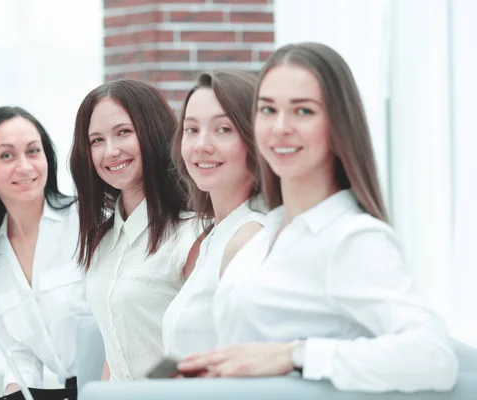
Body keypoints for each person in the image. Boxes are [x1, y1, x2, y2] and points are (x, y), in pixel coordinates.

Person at [178, 42, 459, 392]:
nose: (280, 126)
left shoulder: (351, 238)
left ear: (338, 124)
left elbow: (433, 356)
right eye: (268, 110)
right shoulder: (267, 236)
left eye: (303, 111)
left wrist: (295, 355)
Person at [0, 106, 91, 397]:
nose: (25, 166)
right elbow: (19, 353)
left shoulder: (85, 221)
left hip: (118, 381)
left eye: (33, 151)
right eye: (7, 155)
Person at [70, 79, 199, 380]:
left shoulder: (191, 234)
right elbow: (114, 354)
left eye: (123, 132)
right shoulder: (101, 242)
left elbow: (202, 353)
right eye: (96, 140)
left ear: (152, 132)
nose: (110, 151)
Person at [162, 70, 265, 359]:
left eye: (223, 129)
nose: (201, 145)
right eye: (191, 130)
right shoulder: (216, 234)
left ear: (254, 139)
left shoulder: (249, 237)